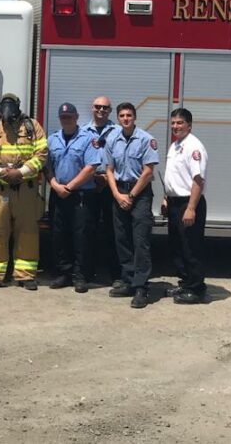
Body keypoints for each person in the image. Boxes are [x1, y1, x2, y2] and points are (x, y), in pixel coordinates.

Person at [0, 93, 48, 290]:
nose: (8, 109)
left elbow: (42, 155)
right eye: (4, 105)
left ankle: (25, 275)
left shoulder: (32, 126)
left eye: (11, 105)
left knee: (27, 232)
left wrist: (20, 172)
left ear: (18, 106)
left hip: (25, 189)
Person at [104, 102, 159, 309]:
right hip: (119, 192)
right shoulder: (112, 139)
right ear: (118, 118)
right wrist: (118, 195)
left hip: (140, 194)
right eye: (122, 115)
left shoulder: (146, 139)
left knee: (140, 240)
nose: (125, 119)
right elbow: (109, 170)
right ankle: (127, 280)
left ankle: (141, 287)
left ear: (135, 117)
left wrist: (131, 195)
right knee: (122, 239)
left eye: (129, 115)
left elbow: (148, 171)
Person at [46, 102, 103, 293]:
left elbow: (91, 167)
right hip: (58, 193)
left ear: (77, 117)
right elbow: (47, 166)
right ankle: (64, 273)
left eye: (69, 116)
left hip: (80, 195)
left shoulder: (89, 139)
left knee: (82, 237)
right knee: (59, 235)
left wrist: (69, 187)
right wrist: (54, 184)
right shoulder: (52, 139)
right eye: (63, 117)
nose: (66, 120)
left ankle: (81, 276)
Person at [162, 108, 209, 304]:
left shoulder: (194, 147)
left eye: (180, 123)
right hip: (174, 202)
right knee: (178, 246)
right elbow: (174, 176)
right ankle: (186, 282)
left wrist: (191, 208)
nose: (175, 126)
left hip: (188, 202)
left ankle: (196, 289)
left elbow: (198, 180)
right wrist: (166, 198)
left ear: (189, 125)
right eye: (173, 123)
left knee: (190, 247)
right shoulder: (175, 145)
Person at [85, 95, 120, 285]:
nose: (101, 110)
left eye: (105, 108)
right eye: (97, 107)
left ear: (110, 110)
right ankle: (87, 273)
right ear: (92, 108)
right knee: (87, 230)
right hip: (89, 185)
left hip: (110, 186)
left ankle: (116, 274)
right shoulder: (83, 130)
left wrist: (107, 178)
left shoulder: (118, 132)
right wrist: (93, 177)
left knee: (113, 231)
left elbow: (121, 157)